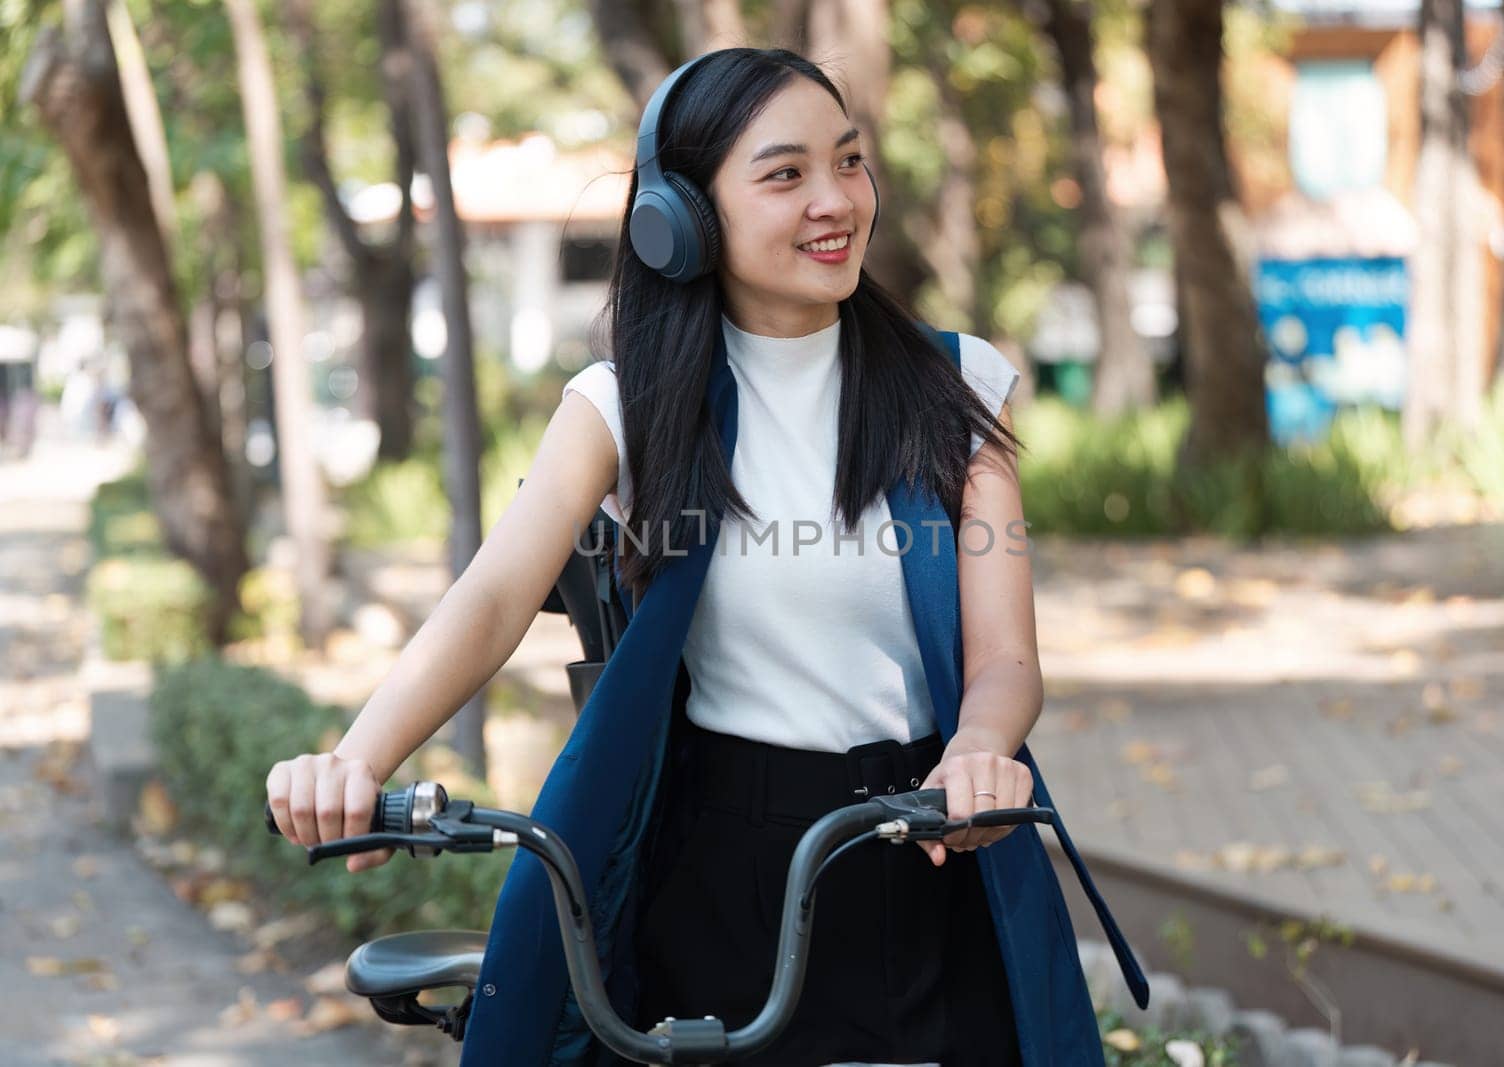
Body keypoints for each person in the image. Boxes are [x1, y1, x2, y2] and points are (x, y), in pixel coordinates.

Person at [266, 47, 1144, 1067]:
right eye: (785, 175)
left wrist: (979, 749)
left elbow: (1003, 657)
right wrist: (359, 758)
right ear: (679, 218)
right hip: (719, 858)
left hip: (932, 834)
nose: (835, 200)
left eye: (849, 162)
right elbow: (495, 593)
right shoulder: (624, 404)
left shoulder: (956, 387)